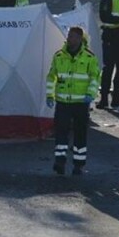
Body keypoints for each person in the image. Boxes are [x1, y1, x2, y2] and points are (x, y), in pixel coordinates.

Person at [46, 26, 100, 175]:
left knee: (80, 134)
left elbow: (94, 77)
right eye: (69, 36)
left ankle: (79, 164)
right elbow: (52, 77)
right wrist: (50, 95)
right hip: (63, 102)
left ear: (80, 39)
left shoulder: (89, 57)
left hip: (81, 103)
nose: (70, 39)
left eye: (73, 36)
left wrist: (90, 94)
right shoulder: (58, 56)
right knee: (61, 132)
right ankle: (60, 161)